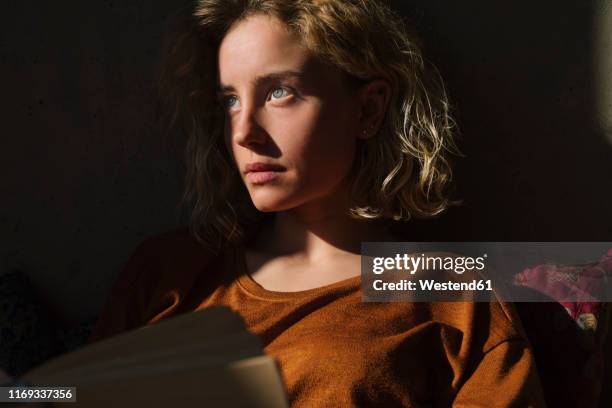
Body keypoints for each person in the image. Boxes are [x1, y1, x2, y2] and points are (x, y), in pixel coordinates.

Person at [88, 0, 547, 406]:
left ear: (367, 109)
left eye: (278, 92)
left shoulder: (451, 294)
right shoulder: (167, 274)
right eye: (230, 100)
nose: (244, 131)